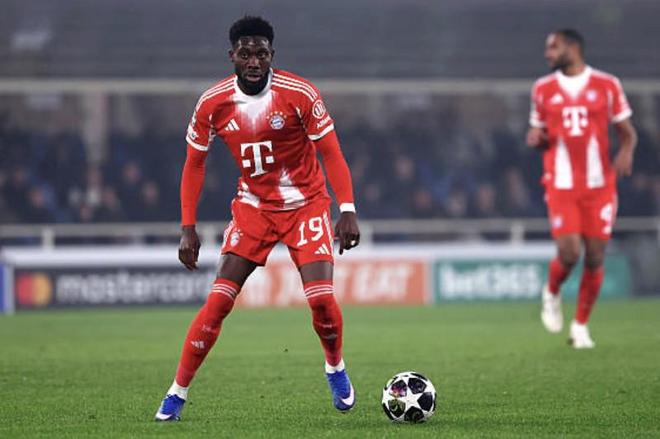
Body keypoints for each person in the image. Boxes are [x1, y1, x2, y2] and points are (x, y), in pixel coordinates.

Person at [155, 16, 360, 421]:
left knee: (321, 300)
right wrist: (187, 228)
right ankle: (176, 393)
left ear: (272, 55)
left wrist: (348, 209)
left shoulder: (299, 93)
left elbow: (331, 152)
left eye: (261, 54)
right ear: (232, 55)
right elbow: (194, 164)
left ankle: (335, 366)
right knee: (218, 302)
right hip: (254, 208)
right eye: (246, 54)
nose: (254, 62)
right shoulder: (212, 103)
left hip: (306, 204)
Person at [526, 29, 637, 348]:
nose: (547, 53)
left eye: (553, 47)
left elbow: (627, 131)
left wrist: (626, 151)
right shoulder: (543, 88)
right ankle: (551, 291)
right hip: (561, 183)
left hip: (599, 185)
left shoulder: (607, 84)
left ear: (573, 48)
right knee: (570, 252)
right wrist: (536, 139)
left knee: (595, 256)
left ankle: (580, 327)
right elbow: (538, 132)